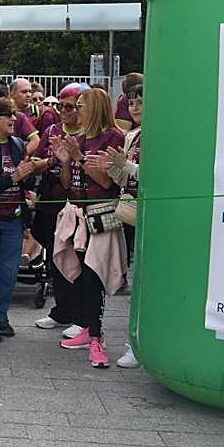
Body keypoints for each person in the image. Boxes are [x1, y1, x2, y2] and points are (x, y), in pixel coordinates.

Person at [51, 87, 125, 368]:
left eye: (81, 105)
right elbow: (67, 183)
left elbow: (107, 182)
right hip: (78, 216)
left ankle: (96, 339)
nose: (76, 110)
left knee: (94, 277)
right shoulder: (79, 139)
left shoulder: (113, 137)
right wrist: (65, 161)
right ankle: (87, 328)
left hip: (101, 215)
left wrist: (79, 156)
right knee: (82, 276)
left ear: (95, 108)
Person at [0, 97, 36, 343]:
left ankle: (2, 316)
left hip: (14, 219)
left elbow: (26, 183)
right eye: (8, 115)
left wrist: (28, 175)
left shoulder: (18, 144)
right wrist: (14, 178)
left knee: (9, 273)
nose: (14, 119)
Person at [31, 84, 88, 333]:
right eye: (60, 106)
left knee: (77, 260)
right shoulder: (52, 130)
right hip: (51, 203)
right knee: (56, 259)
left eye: (69, 107)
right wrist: (53, 159)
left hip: (77, 204)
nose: (62, 111)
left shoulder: (88, 134)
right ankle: (61, 311)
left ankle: (81, 315)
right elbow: (35, 163)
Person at [106, 83, 142, 367]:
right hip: (130, 210)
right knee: (136, 273)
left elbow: (161, 173)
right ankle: (135, 342)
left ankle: (139, 344)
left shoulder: (162, 133)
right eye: (131, 103)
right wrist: (112, 165)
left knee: (145, 279)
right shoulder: (132, 135)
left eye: (141, 102)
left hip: (152, 211)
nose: (135, 108)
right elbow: (121, 177)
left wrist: (127, 167)